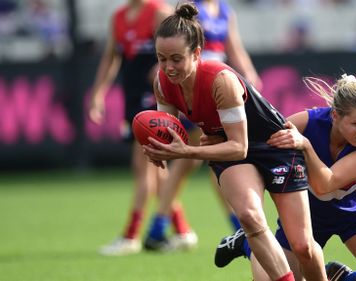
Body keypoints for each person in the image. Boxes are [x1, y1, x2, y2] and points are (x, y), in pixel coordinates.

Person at [143, 3, 327, 281]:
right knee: (251, 218)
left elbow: (239, 145)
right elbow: (167, 130)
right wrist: (158, 147)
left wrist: (186, 151)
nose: (168, 67)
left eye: (176, 59)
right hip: (230, 151)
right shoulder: (163, 82)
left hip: (275, 147)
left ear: (196, 54)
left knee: (302, 246)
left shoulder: (221, 81)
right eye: (161, 58)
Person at [215, 74, 356, 281]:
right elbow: (260, 142)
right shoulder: (307, 122)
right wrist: (219, 138)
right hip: (305, 212)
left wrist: (305, 145)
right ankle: (247, 243)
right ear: (335, 116)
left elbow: (325, 184)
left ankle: (344, 278)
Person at [143, 0, 263, 250]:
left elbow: (234, 46)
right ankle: (238, 229)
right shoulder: (190, 8)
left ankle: (159, 225)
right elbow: (174, 40)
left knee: (192, 160)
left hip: (214, 87)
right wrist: (169, 65)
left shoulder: (224, 10)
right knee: (195, 159)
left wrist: (249, 73)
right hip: (192, 85)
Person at [88, 0, 197, 256]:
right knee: (154, 170)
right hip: (132, 97)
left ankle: (131, 235)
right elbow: (110, 57)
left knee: (142, 165)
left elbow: (182, 50)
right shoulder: (118, 17)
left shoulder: (159, 12)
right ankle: (182, 230)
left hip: (155, 97)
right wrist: (98, 93)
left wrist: (162, 69)